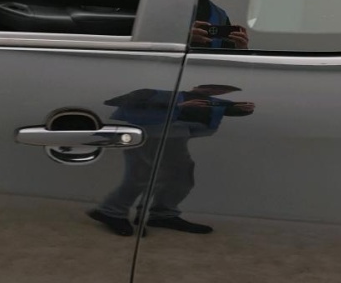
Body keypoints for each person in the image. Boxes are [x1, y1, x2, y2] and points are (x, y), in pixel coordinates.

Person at [87, 84, 254, 237]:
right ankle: (112, 212)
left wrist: (245, 108)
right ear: (197, 86)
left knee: (178, 176)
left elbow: (235, 110)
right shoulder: (153, 93)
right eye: (213, 88)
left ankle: (161, 215)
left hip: (174, 136)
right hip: (150, 133)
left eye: (222, 90)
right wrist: (176, 105)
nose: (215, 92)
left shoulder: (213, 103)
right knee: (145, 174)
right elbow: (115, 101)